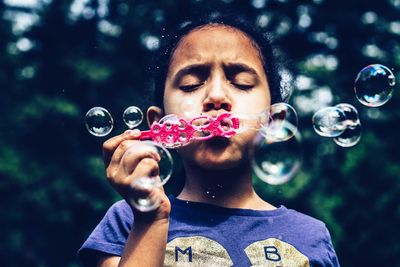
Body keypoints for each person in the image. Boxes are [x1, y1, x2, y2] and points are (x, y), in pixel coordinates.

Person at [78, 14, 340, 267]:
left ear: (275, 121)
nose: (216, 97)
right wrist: (151, 219)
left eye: (242, 82)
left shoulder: (311, 236)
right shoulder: (128, 219)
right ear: (160, 125)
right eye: (191, 84)